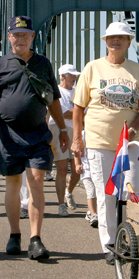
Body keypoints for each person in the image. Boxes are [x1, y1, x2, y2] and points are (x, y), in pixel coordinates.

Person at [0, 15, 69, 261]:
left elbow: (53, 100)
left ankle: (35, 239)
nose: (20, 39)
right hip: (8, 135)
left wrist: (62, 129)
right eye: (16, 34)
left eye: (25, 35)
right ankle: (14, 234)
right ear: (9, 37)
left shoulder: (43, 64)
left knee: (37, 182)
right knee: (13, 184)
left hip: (38, 134)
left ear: (32, 37)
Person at [71, 21, 139, 265]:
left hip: (130, 144)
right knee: (107, 194)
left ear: (129, 42)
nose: (115, 41)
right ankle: (110, 244)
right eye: (111, 37)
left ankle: (132, 238)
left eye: (121, 37)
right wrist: (78, 139)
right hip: (99, 142)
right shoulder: (92, 68)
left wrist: (135, 128)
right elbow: (78, 107)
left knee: (133, 192)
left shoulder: (137, 71)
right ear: (105, 42)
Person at [48, 64, 82, 216]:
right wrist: (79, 111)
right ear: (63, 76)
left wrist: (76, 113)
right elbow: (61, 113)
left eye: (75, 75)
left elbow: (77, 113)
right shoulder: (56, 91)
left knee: (77, 169)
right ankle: (61, 204)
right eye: (71, 75)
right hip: (58, 129)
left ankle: (69, 192)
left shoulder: (77, 92)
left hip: (75, 130)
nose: (74, 78)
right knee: (62, 169)